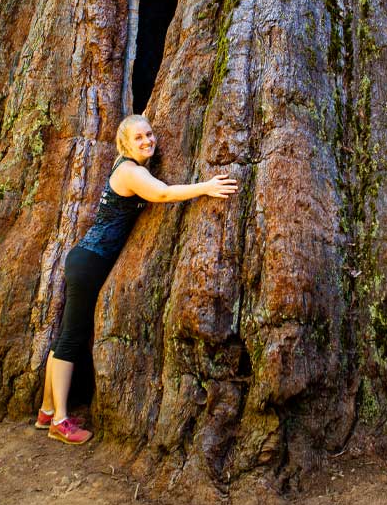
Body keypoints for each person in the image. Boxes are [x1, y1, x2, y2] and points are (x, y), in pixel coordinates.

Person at [35, 113, 238, 444]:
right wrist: (207, 187)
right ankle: (59, 421)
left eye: (149, 135)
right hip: (89, 262)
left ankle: (46, 410)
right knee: (71, 340)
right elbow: (161, 194)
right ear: (124, 144)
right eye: (138, 138)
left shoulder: (127, 166)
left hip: (87, 260)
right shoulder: (130, 171)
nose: (147, 141)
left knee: (66, 340)